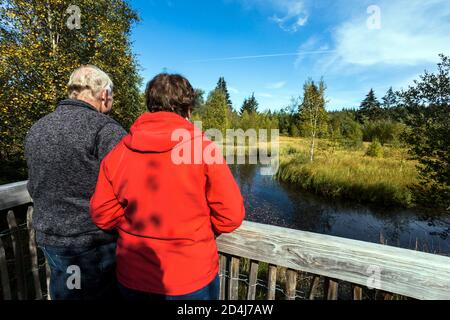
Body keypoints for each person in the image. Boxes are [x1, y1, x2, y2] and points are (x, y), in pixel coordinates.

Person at [90, 73, 245, 300]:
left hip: (134, 276)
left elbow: (102, 214)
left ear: (150, 106)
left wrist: (134, 227)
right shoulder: (203, 150)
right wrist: (200, 230)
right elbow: (231, 215)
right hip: (193, 277)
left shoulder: (119, 153)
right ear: (188, 110)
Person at [24, 65, 126, 300]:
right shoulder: (106, 130)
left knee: (65, 292)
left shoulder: (38, 128)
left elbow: (34, 184)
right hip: (93, 243)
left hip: (50, 240)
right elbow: (128, 188)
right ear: (105, 95)